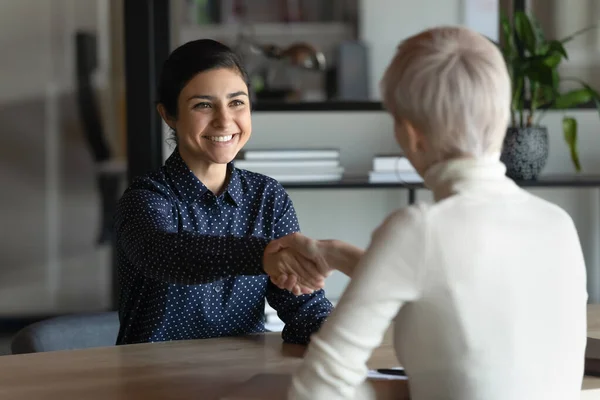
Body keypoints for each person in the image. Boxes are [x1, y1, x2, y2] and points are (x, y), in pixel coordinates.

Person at [285, 26, 588, 399]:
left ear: (412, 135)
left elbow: (317, 389)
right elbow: (456, 293)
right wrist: (335, 254)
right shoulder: (557, 224)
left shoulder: (419, 229)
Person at [113, 39, 333, 345]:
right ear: (169, 115)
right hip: (154, 380)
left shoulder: (268, 197)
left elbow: (304, 308)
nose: (224, 120)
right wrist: (263, 256)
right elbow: (163, 253)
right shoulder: (145, 198)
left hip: (243, 379)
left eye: (237, 102)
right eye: (203, 105)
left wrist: (341, 332)